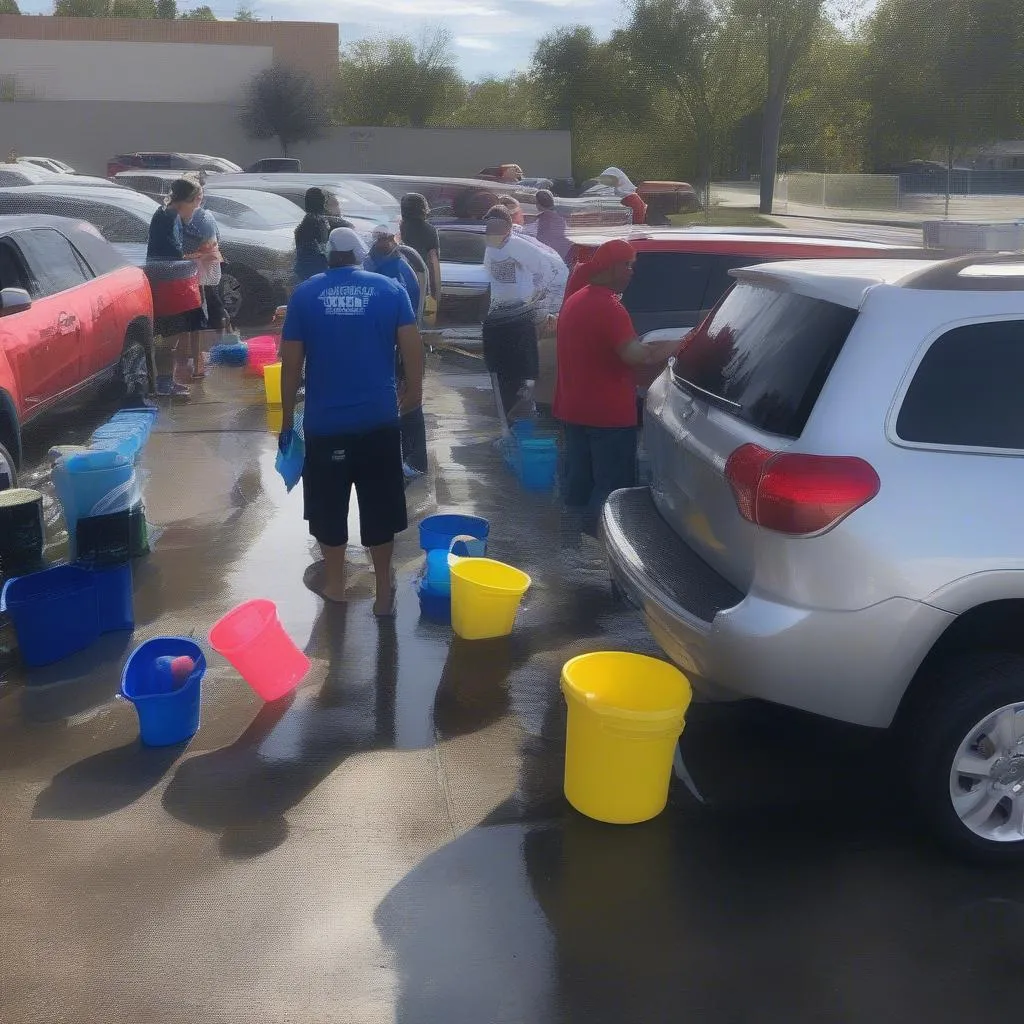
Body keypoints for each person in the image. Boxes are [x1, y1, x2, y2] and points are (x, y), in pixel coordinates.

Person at [279, 227, 424, 616]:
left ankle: (337, 586)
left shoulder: (305, 294)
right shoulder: (389, 290)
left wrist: (286, 416)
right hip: (378, 420)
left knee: (329, 508)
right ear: (360, 255)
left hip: (326, 425)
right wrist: (413, 393)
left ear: (329, 256)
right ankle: (381, 594)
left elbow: (291, 365)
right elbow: (413, 346)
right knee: (380, 506)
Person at [553, 239, 682, 527]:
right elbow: (637, 356)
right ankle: (600, 549)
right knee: (611, 488)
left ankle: (571, 544)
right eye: (626, 265)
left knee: (578, 482)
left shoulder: (577, 298)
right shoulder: (609, 308)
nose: (631, 272)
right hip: (607, 416)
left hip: (573, 410)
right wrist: (682, 343)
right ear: (610, 268)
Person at [481, 205, 566, 427]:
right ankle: (510, 424)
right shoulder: (491, 247)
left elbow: (552, 271)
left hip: (521, 318)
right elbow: (494, 282)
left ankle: (524, 424)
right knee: (501, 375)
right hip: (499, 318)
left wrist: (539, 301)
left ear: (507, 228)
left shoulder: (520, 247)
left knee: (521, 377)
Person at [364, 225, 428, 477]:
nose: (384, 243)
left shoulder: (403, 269)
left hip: (402, 344)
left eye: (388, 238)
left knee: (410, 400)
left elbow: (413, 314)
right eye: (380, 238)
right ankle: (384, 457)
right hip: (376, 346)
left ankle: (414, 460)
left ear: (393, 240)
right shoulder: (368, 265)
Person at [146, 177, 206, 398]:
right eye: (195, 203)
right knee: (169, 337)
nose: (196, 208)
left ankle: (164, 382)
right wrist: (194, 257)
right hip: (168, 284)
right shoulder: (169, 217)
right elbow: (173, 253)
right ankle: (162, 384)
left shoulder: (165, 214)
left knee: (169, 336)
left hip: (165, 281)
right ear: (186, 201)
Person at [181, 201, 228, 378]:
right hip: (195, 273)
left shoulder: (203, 217)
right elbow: (214, 240)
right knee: (200, 312)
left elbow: (212, 242)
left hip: (198, 272)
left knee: (205, 308)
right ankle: (197, 360)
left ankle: (201, 356)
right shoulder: (190, 217)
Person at [398, 193, 441, 310]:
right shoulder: (430, 230)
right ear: (424, 209)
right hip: (420, 278)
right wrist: (435, 296)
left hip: (396, 277)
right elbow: (433, 263)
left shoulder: (397, 228)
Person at [293, 187, 332, 282]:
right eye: (325, 200)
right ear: (321, 202)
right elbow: (323, 248)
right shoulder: (317, 222)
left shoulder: (309, 220)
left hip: (305, 268)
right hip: (315, 269)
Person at [532, 189, 570, 261]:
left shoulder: (545, 218)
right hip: (564, 252)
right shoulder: (558, 215)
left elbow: (541, 241)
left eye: (536, 202)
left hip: (553, 255)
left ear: (539, 203)